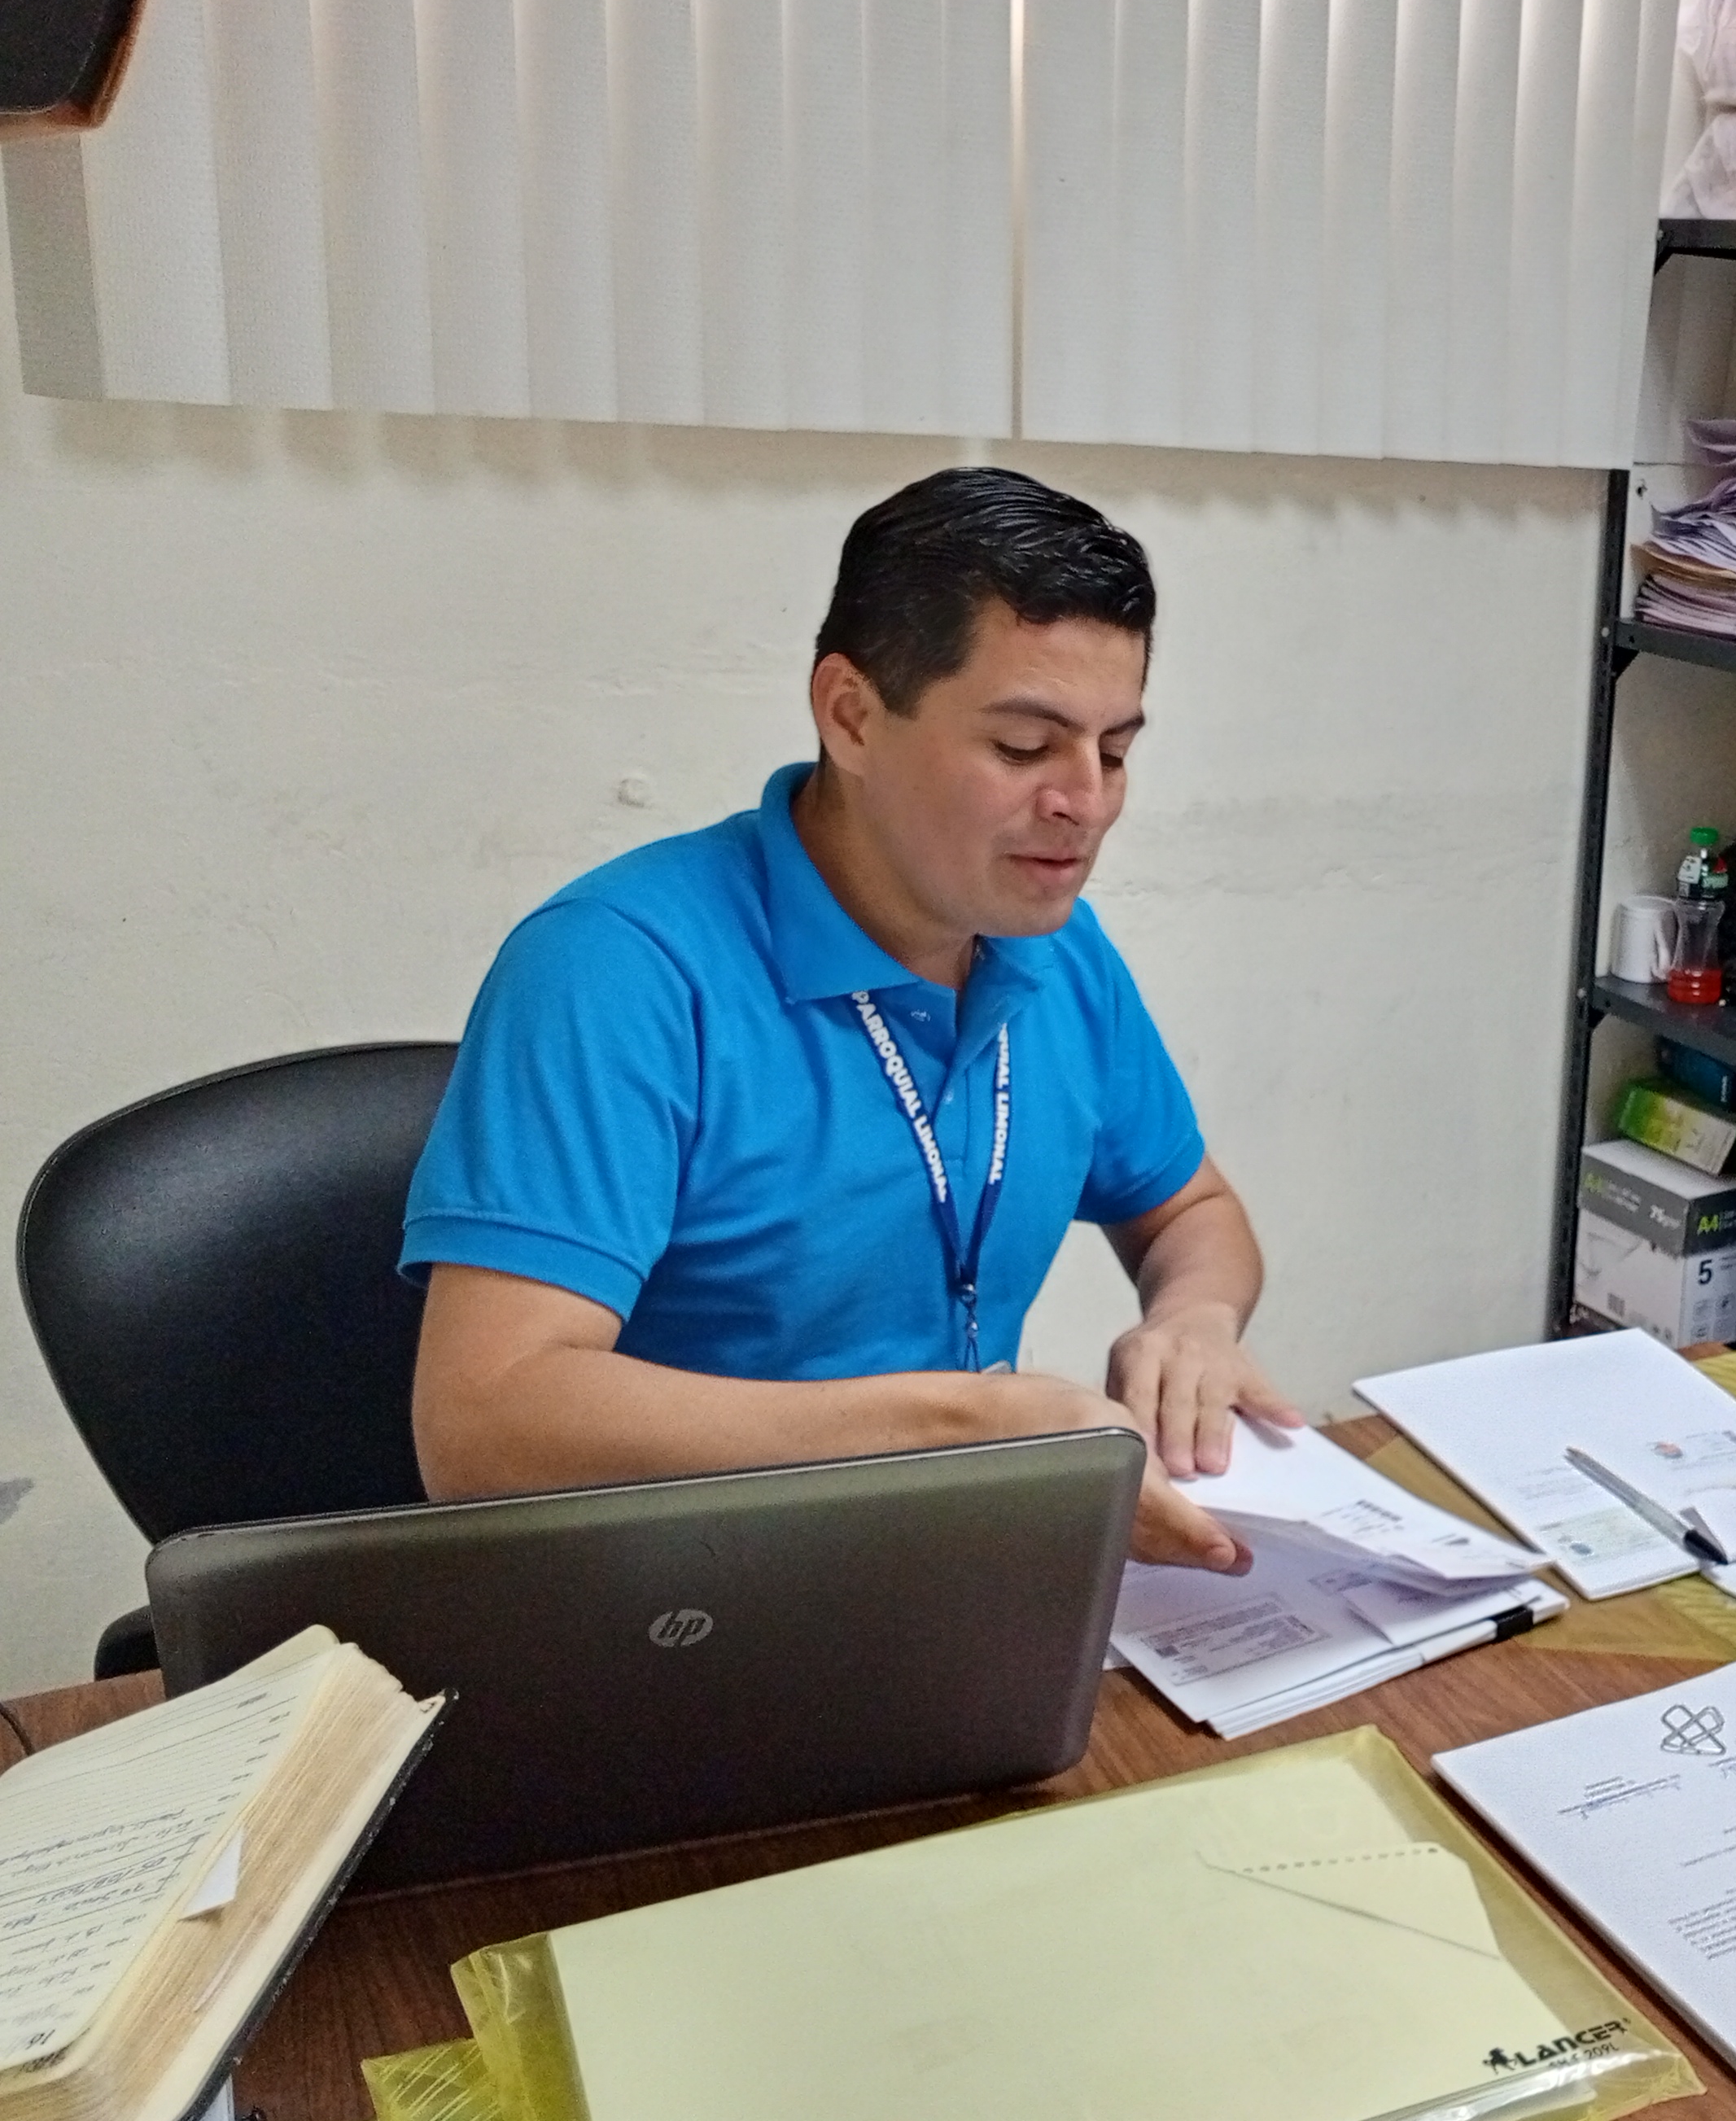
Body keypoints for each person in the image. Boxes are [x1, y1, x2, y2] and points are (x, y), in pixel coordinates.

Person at [402, 467, 1291, 1572]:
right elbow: (481, 1423)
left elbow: (1192, 1211)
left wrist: (1194, 1318)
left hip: (946, 1569)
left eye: (1113, 752)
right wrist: (961, 1428)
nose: (1086, 803)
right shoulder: (617, 968)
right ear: (852, 715)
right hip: (677, 1599)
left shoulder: (1055, 951)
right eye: (1024, 748)